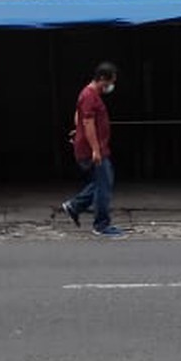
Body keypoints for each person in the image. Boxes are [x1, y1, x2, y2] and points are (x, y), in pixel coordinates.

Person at [59, 62, 125, 237]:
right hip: (93, 150)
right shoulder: (89, 95)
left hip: (95, 147)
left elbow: (78, 116)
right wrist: (95, 149)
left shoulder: (89, 95)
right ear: (102, 78)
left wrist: (78, 128)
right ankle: (101, 225)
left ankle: (75, 206)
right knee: (104, 185)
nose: (110, 87)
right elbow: (88, 122)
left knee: (101, 182)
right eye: (110, 82)